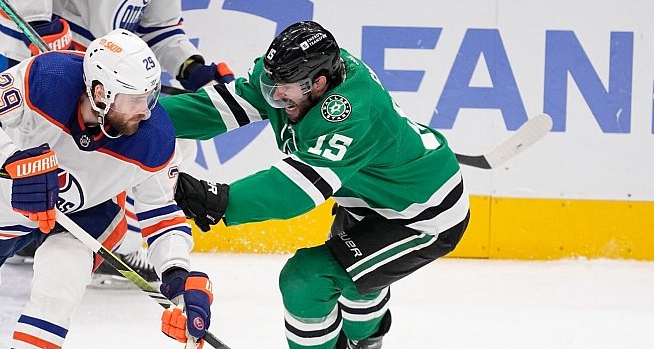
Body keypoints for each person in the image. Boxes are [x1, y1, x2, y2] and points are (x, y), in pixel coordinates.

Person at [159, 21, 470, 349]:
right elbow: (217, 108)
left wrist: (220, 200)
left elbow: (296, 190)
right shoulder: (297, 77)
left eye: (286, 87)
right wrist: (143, 119)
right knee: (353, 276)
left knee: (306, 280)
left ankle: (366, 341)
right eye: (272, 82)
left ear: (319, 84)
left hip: (423, 212)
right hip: (369, 196)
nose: (276, 95)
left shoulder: (349, 113)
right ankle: (366, 340)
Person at [0, 30, 213, 349]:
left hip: (90, 212)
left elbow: (163, 216)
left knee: (60, 286)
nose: (146, 110)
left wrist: (177, 275)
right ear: (100, 92)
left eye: (150, 96)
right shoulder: (47, 78)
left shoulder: (156, 137)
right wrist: (14, 160)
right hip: (7, 200)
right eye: (135, 100)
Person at [0, 0, 235, 282]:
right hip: (56, 61)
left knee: (157, 141)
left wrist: (193, 68)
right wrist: (39, 21)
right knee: (37, 152)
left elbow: (160, 30)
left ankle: (104, 240)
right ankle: (27, 229)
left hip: (106, 69)